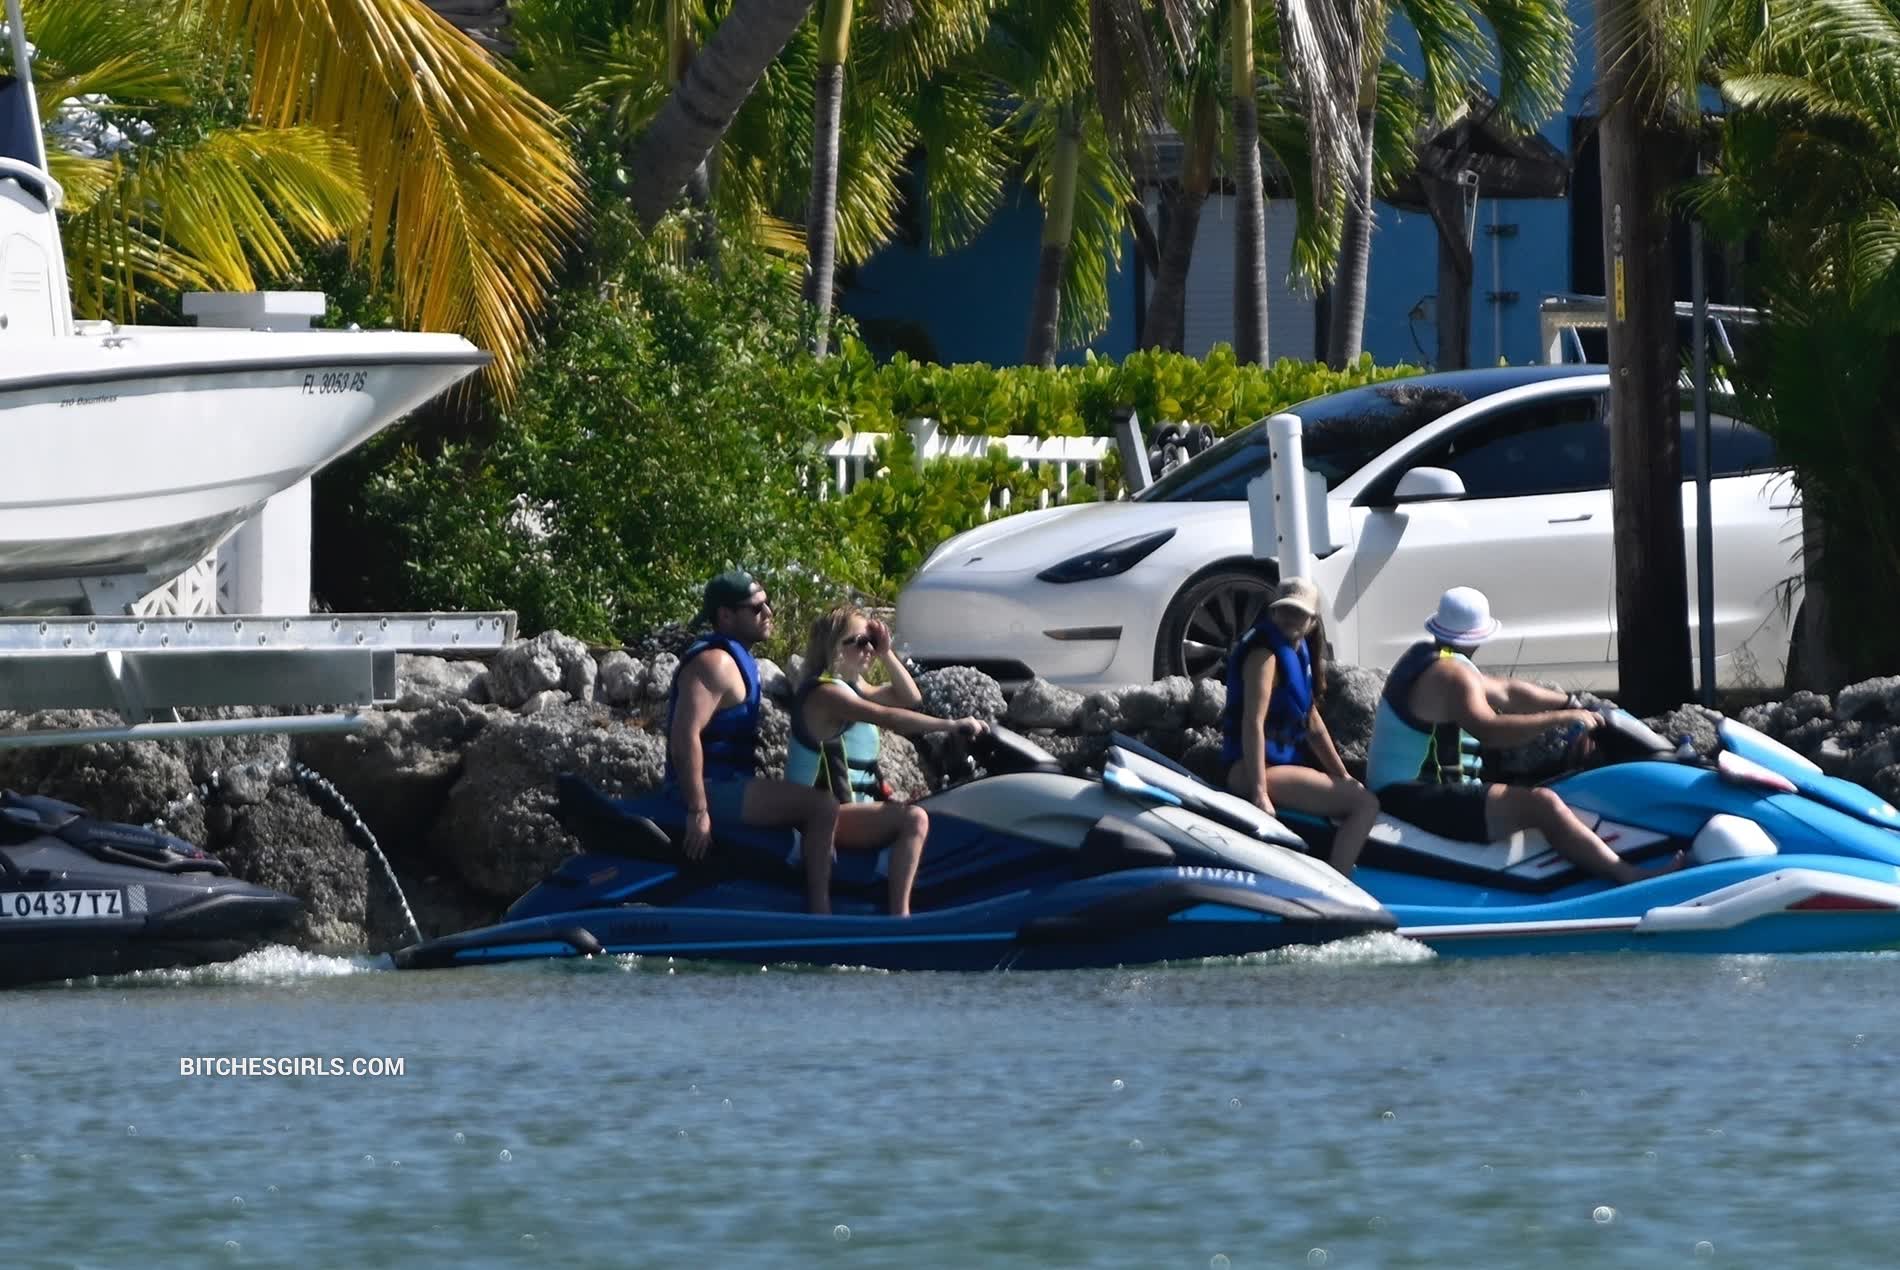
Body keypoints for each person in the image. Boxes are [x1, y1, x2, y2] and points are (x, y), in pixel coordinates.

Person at [1365, 585, 1684, 885]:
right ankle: (1629, 876)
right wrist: (1562, 719)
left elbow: (1508, 691)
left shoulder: (1433, 658)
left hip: (1408, 792)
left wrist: (1574, 703)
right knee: (1543, 804)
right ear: (1480, 636)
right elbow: (1489, 731)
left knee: (1552, 790)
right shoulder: (1451, 675)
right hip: (1409, 798)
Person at [788, 606, 988, 916]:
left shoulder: (855, 689)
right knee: (914, 819)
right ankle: (900, 918)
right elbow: (888, 717)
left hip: (847, 811)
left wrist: (886, 653)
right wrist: (952, 725)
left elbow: (910, 698)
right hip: (817, 820)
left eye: (871, 641)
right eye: (860, 642)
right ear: (834, 647)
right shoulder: (824, 694)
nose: (869, 648)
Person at [665, 570, 843, 914]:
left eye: (767, 603)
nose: (769, 613)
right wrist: (698, 810)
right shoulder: (714, 663)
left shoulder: (738, 659)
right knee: (822, 807)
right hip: (709, 787)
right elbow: (684, 737)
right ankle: (822, 917)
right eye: (756, 608)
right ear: (726, 616)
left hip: (732, 781)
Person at [1219, 577, 1381, 874]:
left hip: (1278, 763)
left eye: (1299, 613)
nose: (1290, 618)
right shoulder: (1265, 655)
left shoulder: (1297, 650)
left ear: (1313, 622)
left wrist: (1343, 775)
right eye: (1285, 610)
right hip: (1252, 769)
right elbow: (1253, 722)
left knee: (1355, 789)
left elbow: (1313, 724)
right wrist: (1259, 793)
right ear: (1273, 612)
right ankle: (1338, 881)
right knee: (1365, 805)